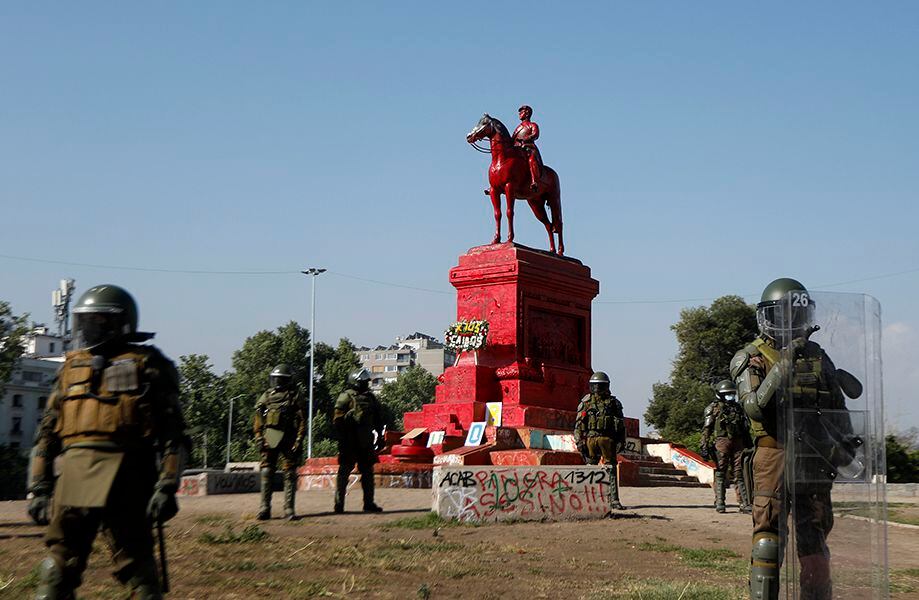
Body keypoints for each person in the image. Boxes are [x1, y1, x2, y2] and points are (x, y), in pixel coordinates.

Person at [27, 284, 189, 600]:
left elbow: (174, 433)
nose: (90, 329)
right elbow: (46, 434)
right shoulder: (71, 367)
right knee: (57, 568)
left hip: (128, 474)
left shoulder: (148, 365)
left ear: (121, 323)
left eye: (100, 321)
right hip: (75, 477)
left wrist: (167, 486)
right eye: (86, 321)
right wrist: (39, 487)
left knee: (139, 570)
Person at [731, 278, 859, 600]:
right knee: (768, 542)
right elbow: (755, 407)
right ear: (767, 317)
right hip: (773, 455)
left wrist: (846, 442)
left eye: (797, 315)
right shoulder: (751, 357)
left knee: (815, 546)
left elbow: (837, 409)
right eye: (783, 315)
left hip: (813, 458)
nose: (791, 322)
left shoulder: (818, 356)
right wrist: (788, 358)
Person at [253, 364, 306, 520]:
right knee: (266, 471)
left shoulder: (295, 395)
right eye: (275, 379)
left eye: (280, 379)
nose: (277, 382)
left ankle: (289, 509)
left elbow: (303, 420)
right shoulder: (267, 395)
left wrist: (298, 439)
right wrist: (258, 436)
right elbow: (258, 417)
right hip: (269, 437)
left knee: (289, 473)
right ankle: (264, 508)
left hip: (289, 437)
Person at [333, 368, 385, 513]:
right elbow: (337, 420)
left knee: (368, 473)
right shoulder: (345, 397)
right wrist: (343, 436)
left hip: (366, 441)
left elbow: (379, 419)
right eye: (362, 382)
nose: (365, 384)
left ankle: (369, 503)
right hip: (349, 441)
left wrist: (380, 437)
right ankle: (339, 504)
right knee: (344, 472)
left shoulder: (371, 398)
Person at [574, 371, 626, 511]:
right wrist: (579, 442)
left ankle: (603, 499)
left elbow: (620, 425)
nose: (597, 389)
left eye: (598, 386)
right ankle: (610, 500)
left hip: (598, 440)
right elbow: (579, 425)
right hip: (600, 440)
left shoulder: (590, 402)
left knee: (597, 469)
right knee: (604, 470)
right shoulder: (609, 403)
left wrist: (579, 442)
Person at [701, 379, 752, 514]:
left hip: (736, 443)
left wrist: (749, 444)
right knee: (721, 473)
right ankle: (720, 502)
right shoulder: (713, 408)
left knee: (739, 473)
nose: (730, 396)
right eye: (727, 394)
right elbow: (707, 429)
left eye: (731, 393)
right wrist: (704, 446)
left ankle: (743, 503)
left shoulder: (738, 408)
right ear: (719, 394)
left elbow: (745, 428)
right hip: (722, 442)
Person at [512, 104, 543, 191]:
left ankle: (534, 181)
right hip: (517, 149)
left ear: (527, 114)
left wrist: (526, 138)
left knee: (531, 160)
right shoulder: (518, 128)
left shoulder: (532, 125)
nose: (520, 114)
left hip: (528, 148)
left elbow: (535, 134)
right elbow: (512, 138)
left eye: (521, 112)